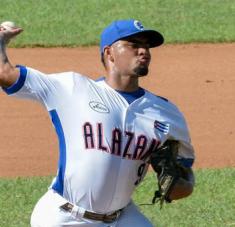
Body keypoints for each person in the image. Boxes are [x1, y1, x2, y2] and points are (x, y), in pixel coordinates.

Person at [0, 19, 195, 227]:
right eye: (133, 44)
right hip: (63, 216)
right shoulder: (73, 88)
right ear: (109, 52)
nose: (143, 51)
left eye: (146, 46)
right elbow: (5, 73)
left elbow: (185, 176)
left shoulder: (166, 113)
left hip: (122, 217)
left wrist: (178, 184)